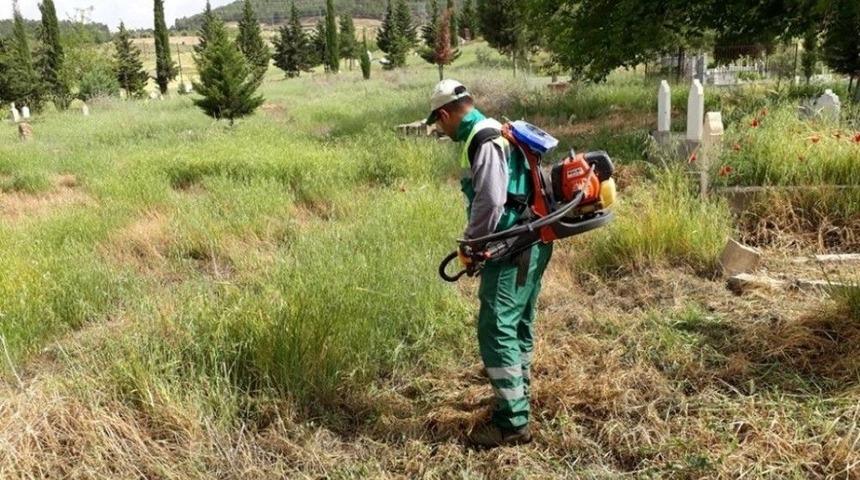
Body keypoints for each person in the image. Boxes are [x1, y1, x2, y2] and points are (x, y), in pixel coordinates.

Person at [427, 79, 553, 448]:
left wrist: (472, 243)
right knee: (517, 324)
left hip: (511, 246)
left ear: (445, 114)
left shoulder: (481, 138)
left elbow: (492, 200)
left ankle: (512, 424)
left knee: (497, 328)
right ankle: (517, 398)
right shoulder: (498, 127)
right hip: (533, 240)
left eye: (438, 122)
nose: (439, 129)